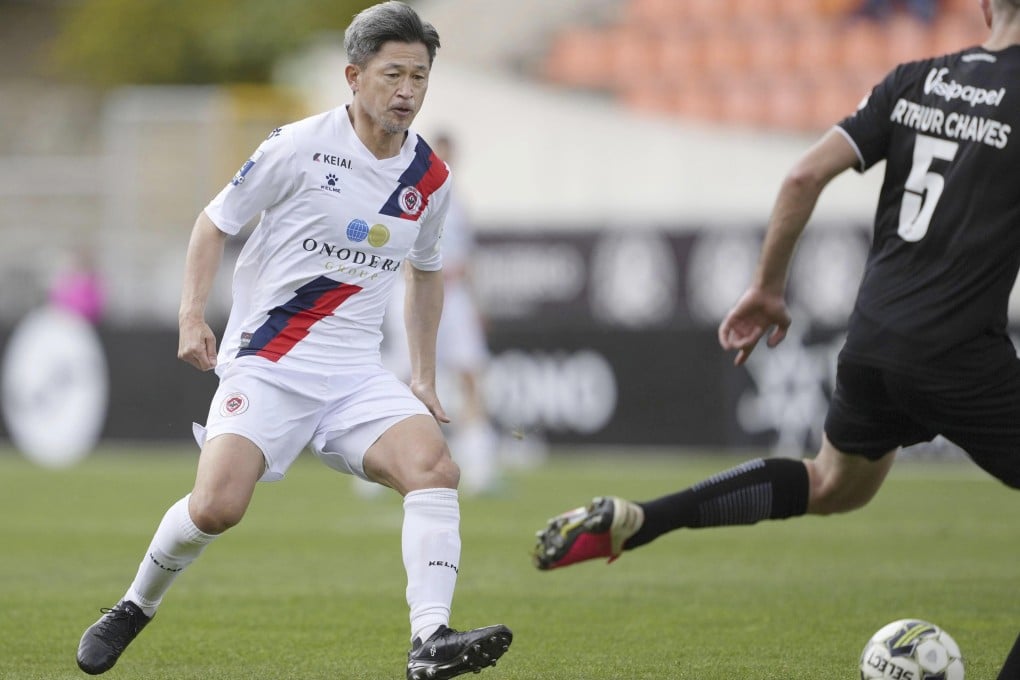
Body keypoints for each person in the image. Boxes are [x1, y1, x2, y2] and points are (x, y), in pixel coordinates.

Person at [532, 2, 1019, 672]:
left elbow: (801, 175)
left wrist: (766, 288)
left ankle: (647, 517)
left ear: (986, 5)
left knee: (833, 485)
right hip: (959, 348)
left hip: (873, 339)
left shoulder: (915, 79)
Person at [75, 3, 512, 679]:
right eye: (392, 74)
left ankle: (430, 641)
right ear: (353, 75)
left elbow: (426, 274)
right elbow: (214, 223)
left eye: (419, 77)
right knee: (217, 507)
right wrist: (192, 316)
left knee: (434, 468)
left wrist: (422, 375)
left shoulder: (430, 179)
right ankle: (134, 604)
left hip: (353, 374)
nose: (407, 91)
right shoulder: (297, 146)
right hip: (270, 363)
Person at [378, 132, 501, 497]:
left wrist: (477, 303)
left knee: (470, 373)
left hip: (455, 293)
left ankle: (479, 463)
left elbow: (468, 257)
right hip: (415, 288)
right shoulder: (407, 194)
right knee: (401, 374)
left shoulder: (458, 201)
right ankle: (380, 457)